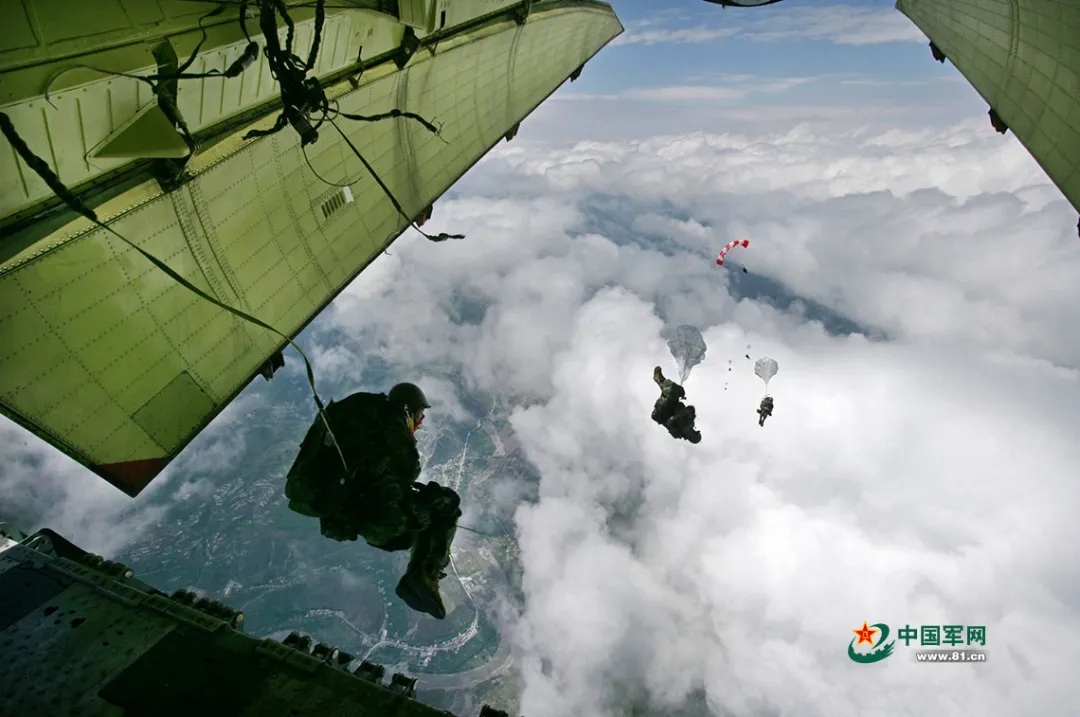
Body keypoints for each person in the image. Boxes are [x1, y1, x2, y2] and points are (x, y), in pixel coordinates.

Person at [284, 382, 461, 619]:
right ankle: (424, 574)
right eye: (418, 416)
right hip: (371, 516)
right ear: (407, 411)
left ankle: (419, 577)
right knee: (447, 504)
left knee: (415, 511)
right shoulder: (392, 422)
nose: (419, 424)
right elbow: (408, 469)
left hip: (329, 504)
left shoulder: (360, 408)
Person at [651, 366, 702, 444]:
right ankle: (659, 379)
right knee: (675, 389)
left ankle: (659, 379)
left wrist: (676, 417)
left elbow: (669, 423)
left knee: (670, 392)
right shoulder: (690, 421)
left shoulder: (678, 434)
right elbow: (691, 408)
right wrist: (687, 411)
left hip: (662, 412)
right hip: (672, 406)